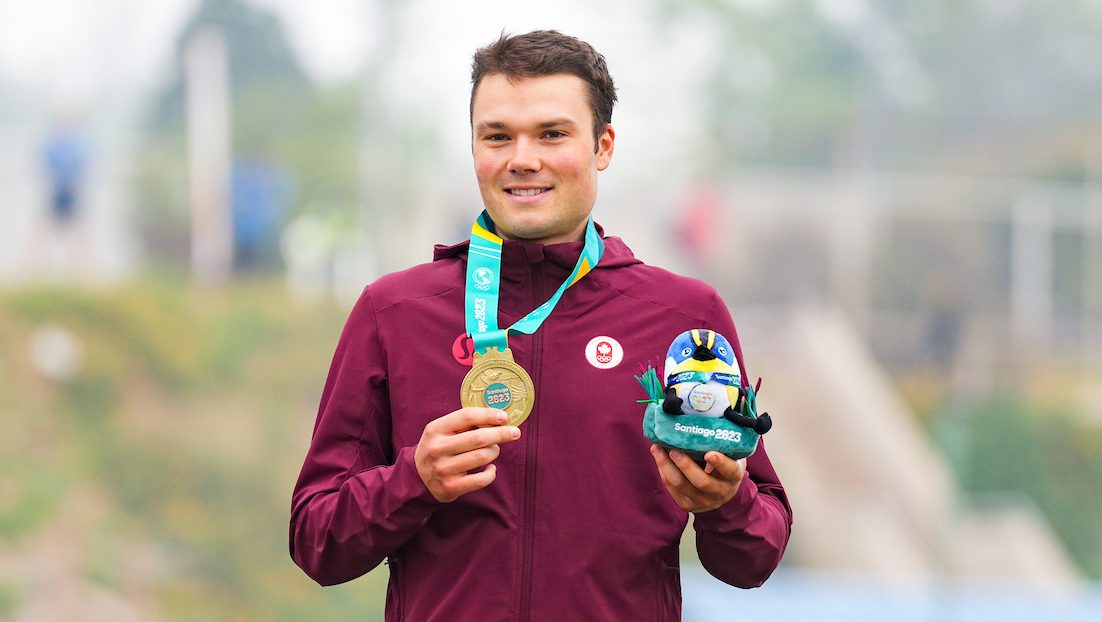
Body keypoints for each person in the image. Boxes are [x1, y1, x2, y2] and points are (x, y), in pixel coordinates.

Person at [290, 30, 792, 621]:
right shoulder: (393, 311)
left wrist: (725, 502)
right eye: (497, 136)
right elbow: (316, 542)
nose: (522, 158)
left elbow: (755, 558)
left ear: (603, 145)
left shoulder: (685, 319)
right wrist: (413, 480)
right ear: (474, 146)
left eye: (552, 134)